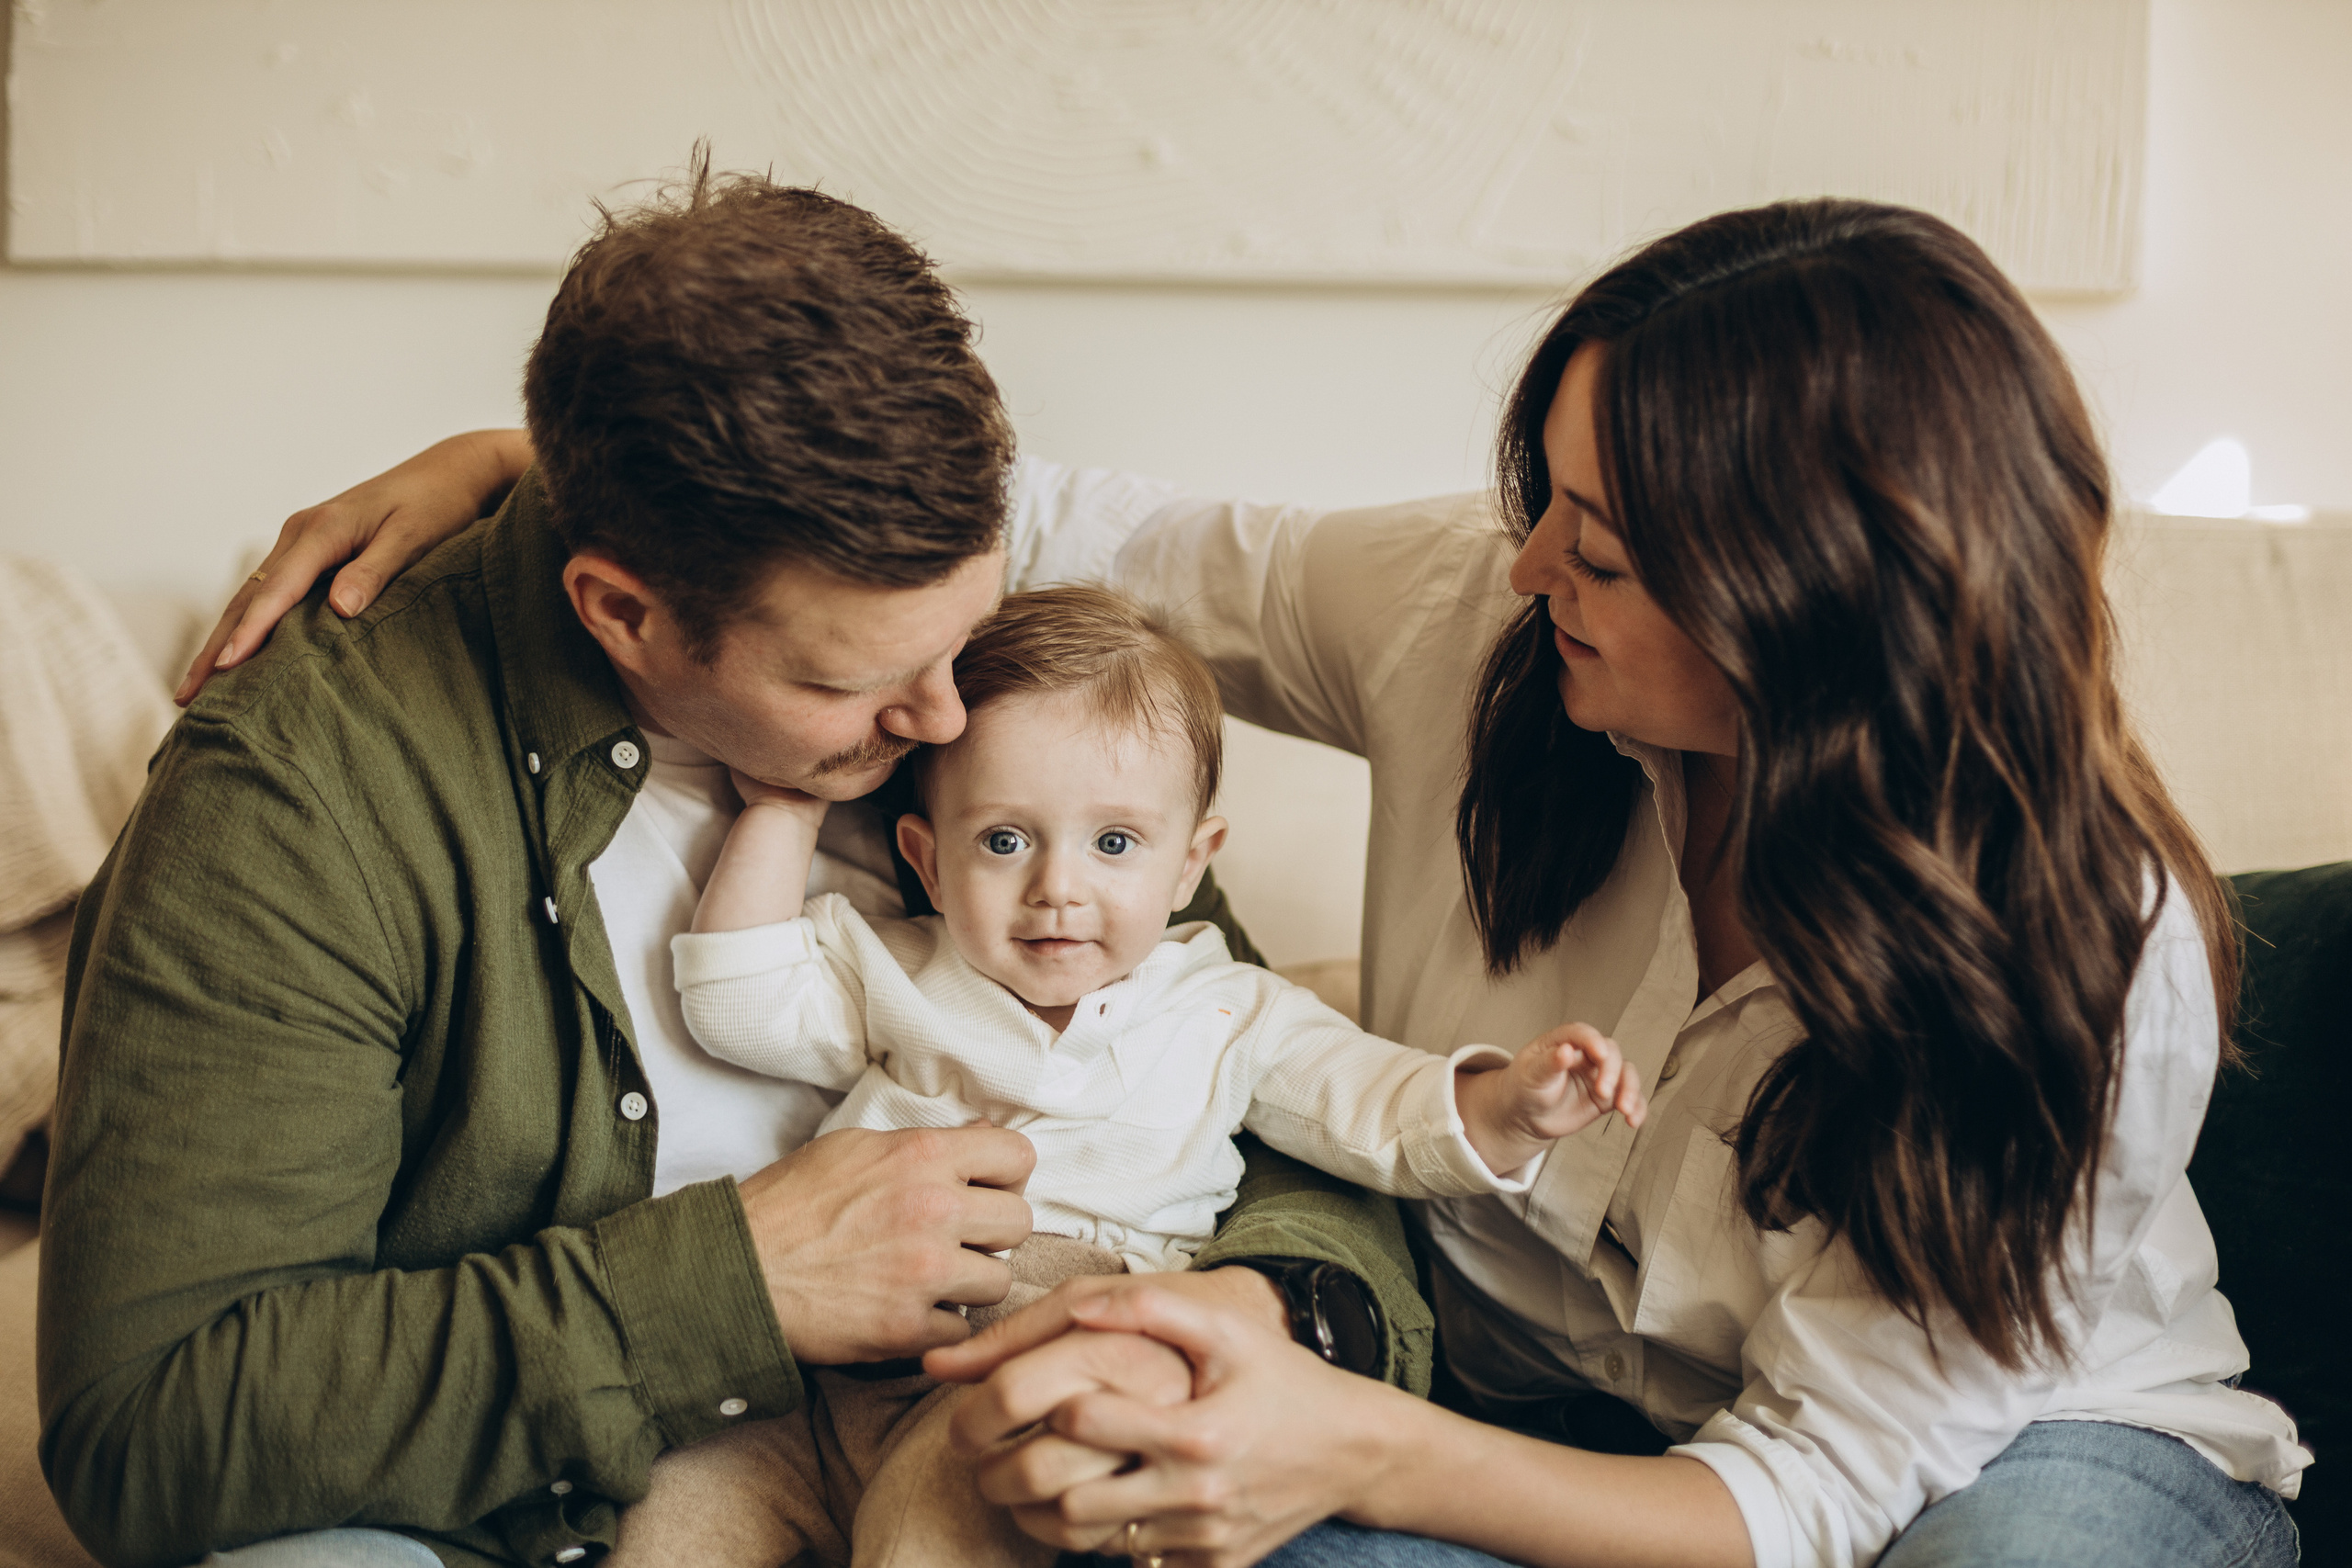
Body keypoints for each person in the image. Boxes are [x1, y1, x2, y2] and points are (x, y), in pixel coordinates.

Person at [190, 198, 2312, 1567]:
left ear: (1811, 597)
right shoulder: (1466, 619)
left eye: (1606, 540)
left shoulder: (2074, 940)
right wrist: (536, 479)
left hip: (1988, 1464)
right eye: (1533, 497)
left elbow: (1811, 1488)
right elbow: (976, 521)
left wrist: (1350, 1440)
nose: (1528, 569)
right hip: (1502, 1410)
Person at [41, 160, 1433, 1568]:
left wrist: (1268, 1308)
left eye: (960, 639)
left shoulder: (958, 677)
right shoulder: (303, 790)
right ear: (623, 611)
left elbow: (1234, 1048)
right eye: (859, 682)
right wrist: (734, 1281)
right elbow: (155, 1422)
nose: (940, 719)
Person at [610, 582, 1645, 1566]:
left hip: (1041, 1353)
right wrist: (784, 812)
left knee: (954, 1511)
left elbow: (1374, 1108)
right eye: (1005, 840)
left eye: (1113, 843)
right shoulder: (900, 964)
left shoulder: (1228, 1009)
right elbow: (738, 1003)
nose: (1057, 889)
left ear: (1191, 862)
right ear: (927, 859)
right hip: (833, 1363)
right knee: (678, 1496)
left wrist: (1509, 1102)